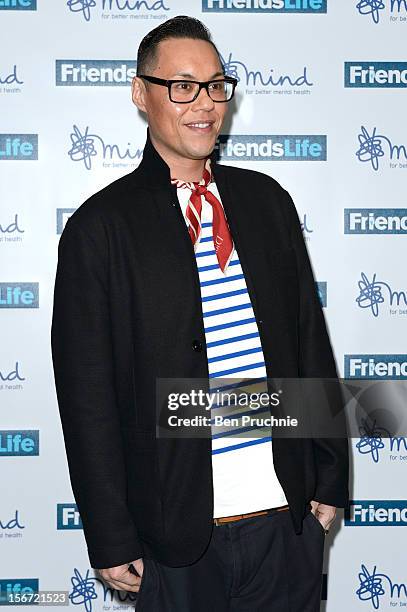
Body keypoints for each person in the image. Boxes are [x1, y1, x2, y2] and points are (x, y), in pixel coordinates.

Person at [51, 15, 349, 612]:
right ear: (142, 94)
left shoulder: (268, 202)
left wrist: (328, 474)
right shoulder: (99, 228)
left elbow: (307, 345)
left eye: (216, 85)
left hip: (285, 522)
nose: (205, 104)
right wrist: (110, 533)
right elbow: (88, 398)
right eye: (182, 86)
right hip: (174, 536)